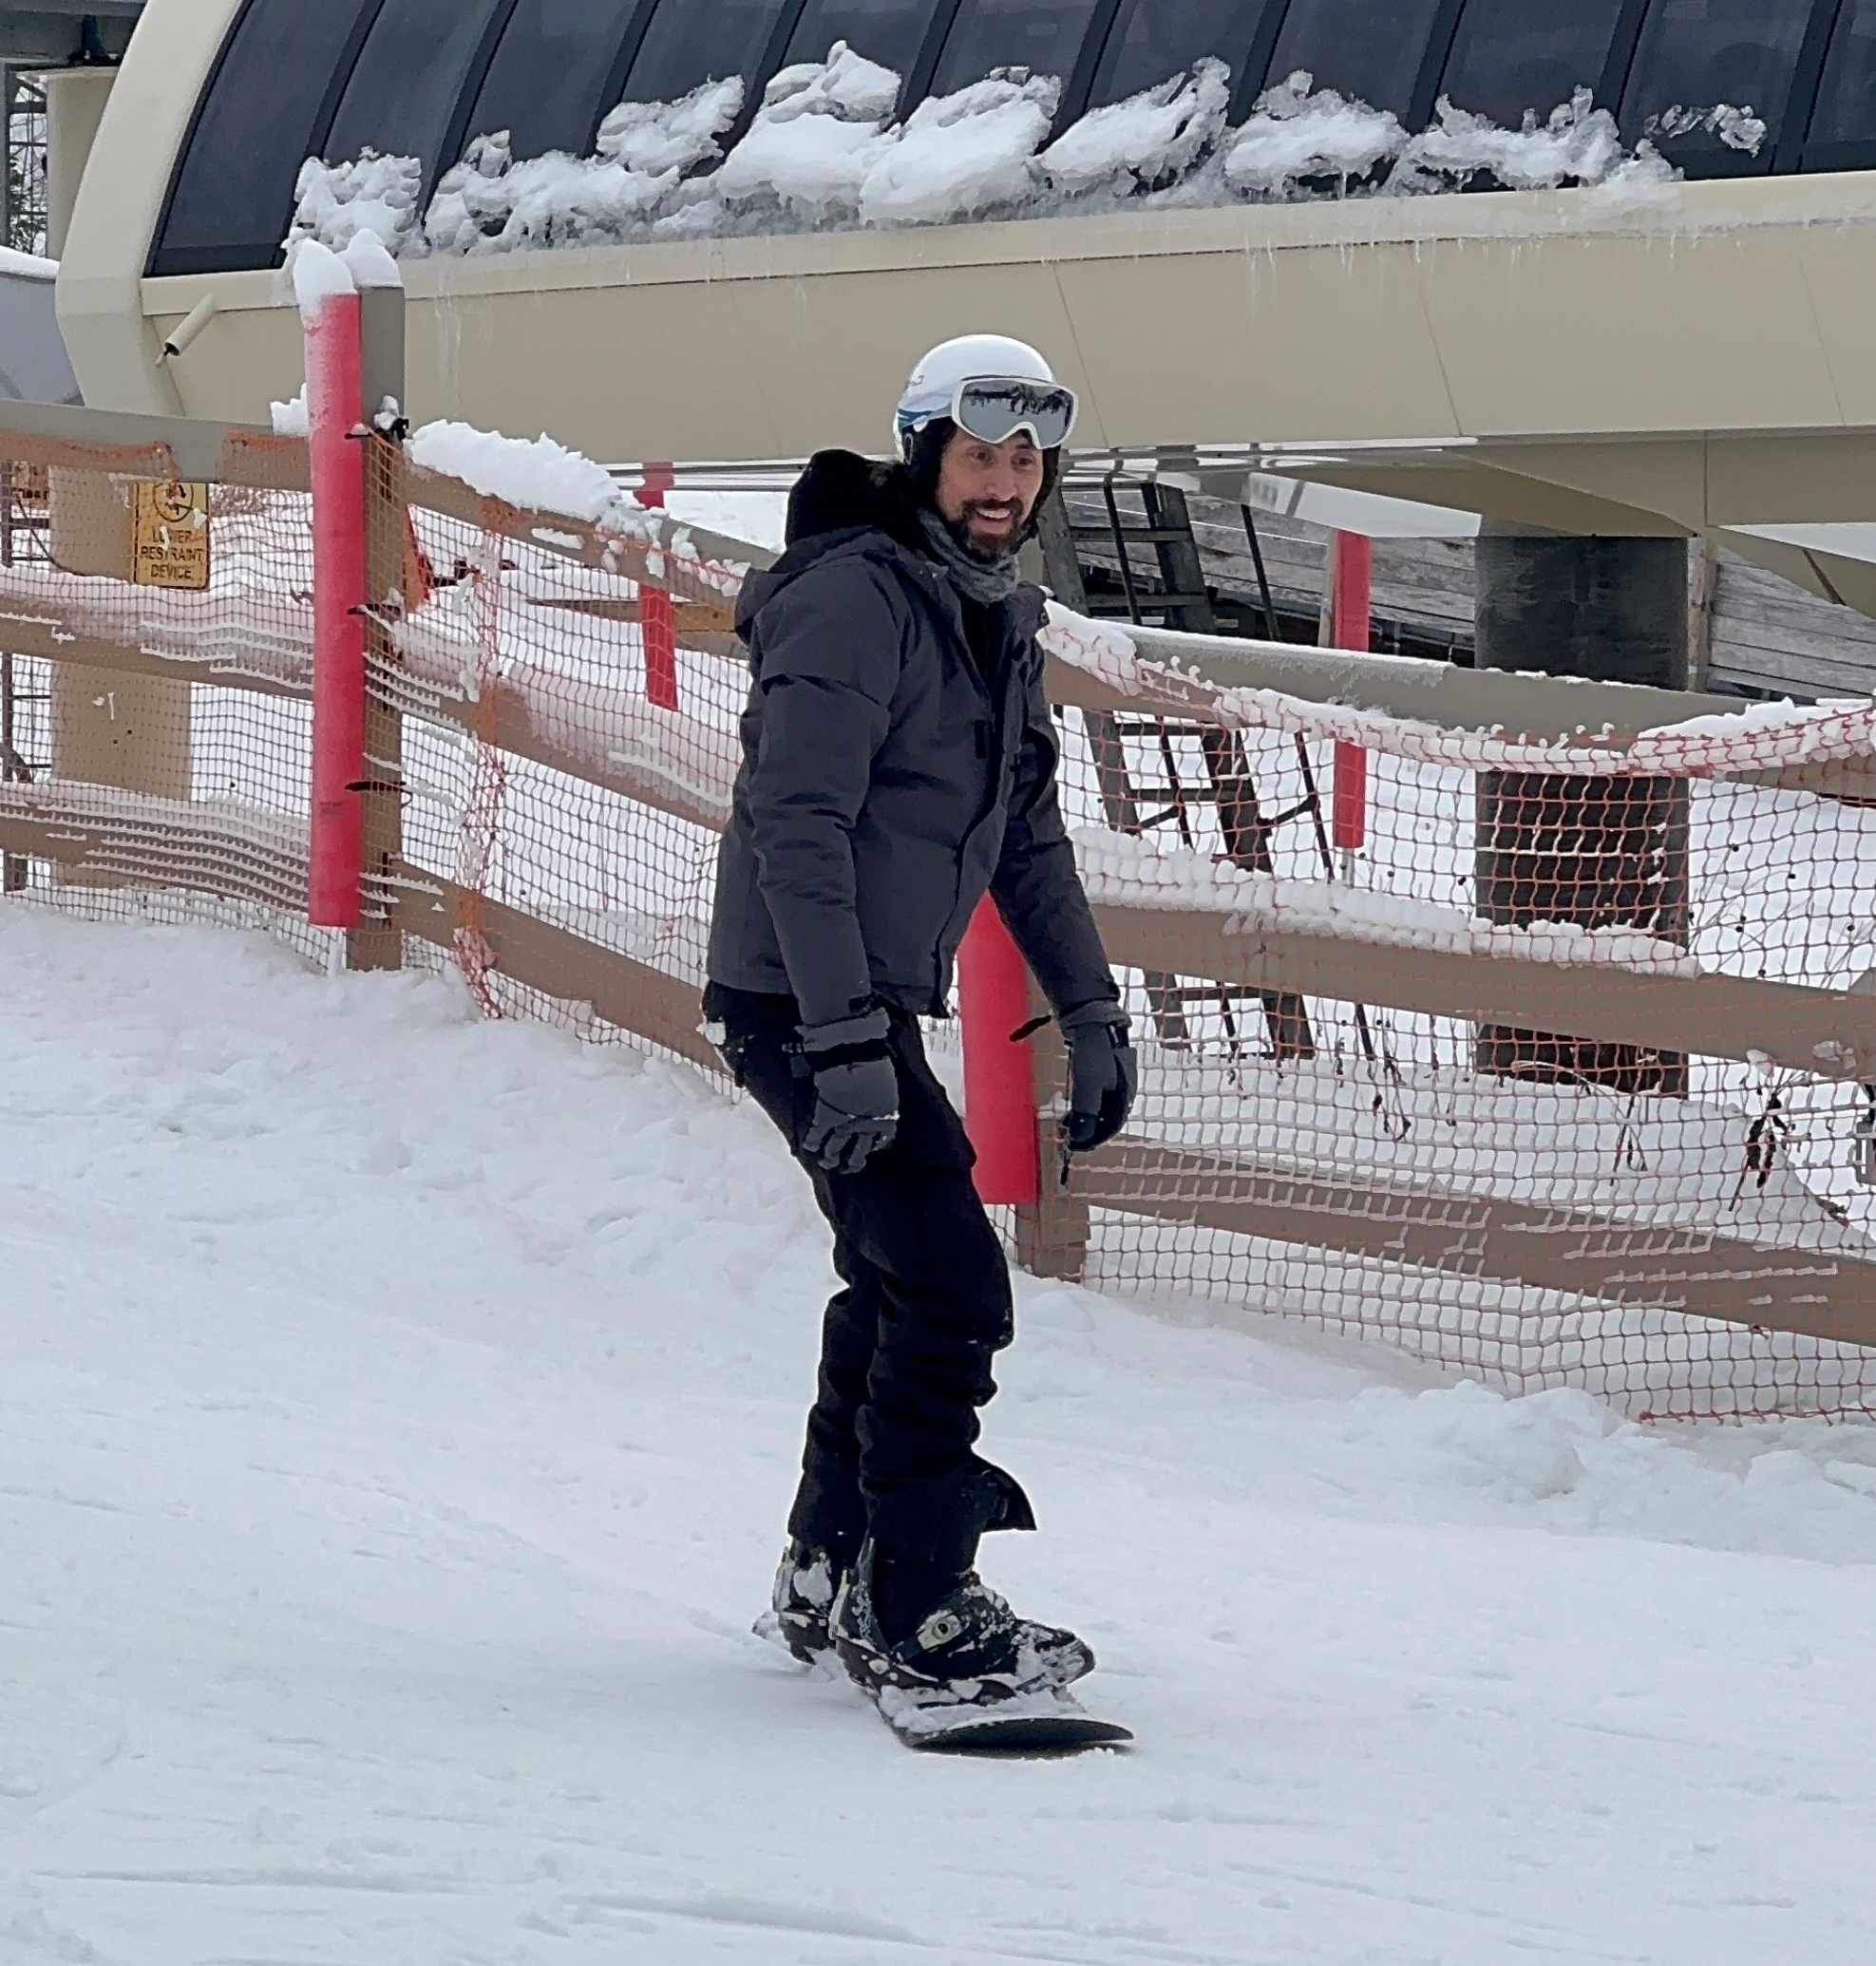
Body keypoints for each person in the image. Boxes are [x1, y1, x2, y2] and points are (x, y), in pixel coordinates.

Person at [703, 333, 1137, 1707]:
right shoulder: (853, 599)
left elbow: (1025, 836)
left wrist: (1092, 1007)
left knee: (899, 1275)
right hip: (798, 999)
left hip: (853, 999)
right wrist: (838, 1040)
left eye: (1025, 459)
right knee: (951, 1281)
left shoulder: (991, 611)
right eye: (979, 454)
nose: (1004, 482)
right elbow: (801, 823)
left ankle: (829, 1558)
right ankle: (915, 1587)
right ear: (923, 454)